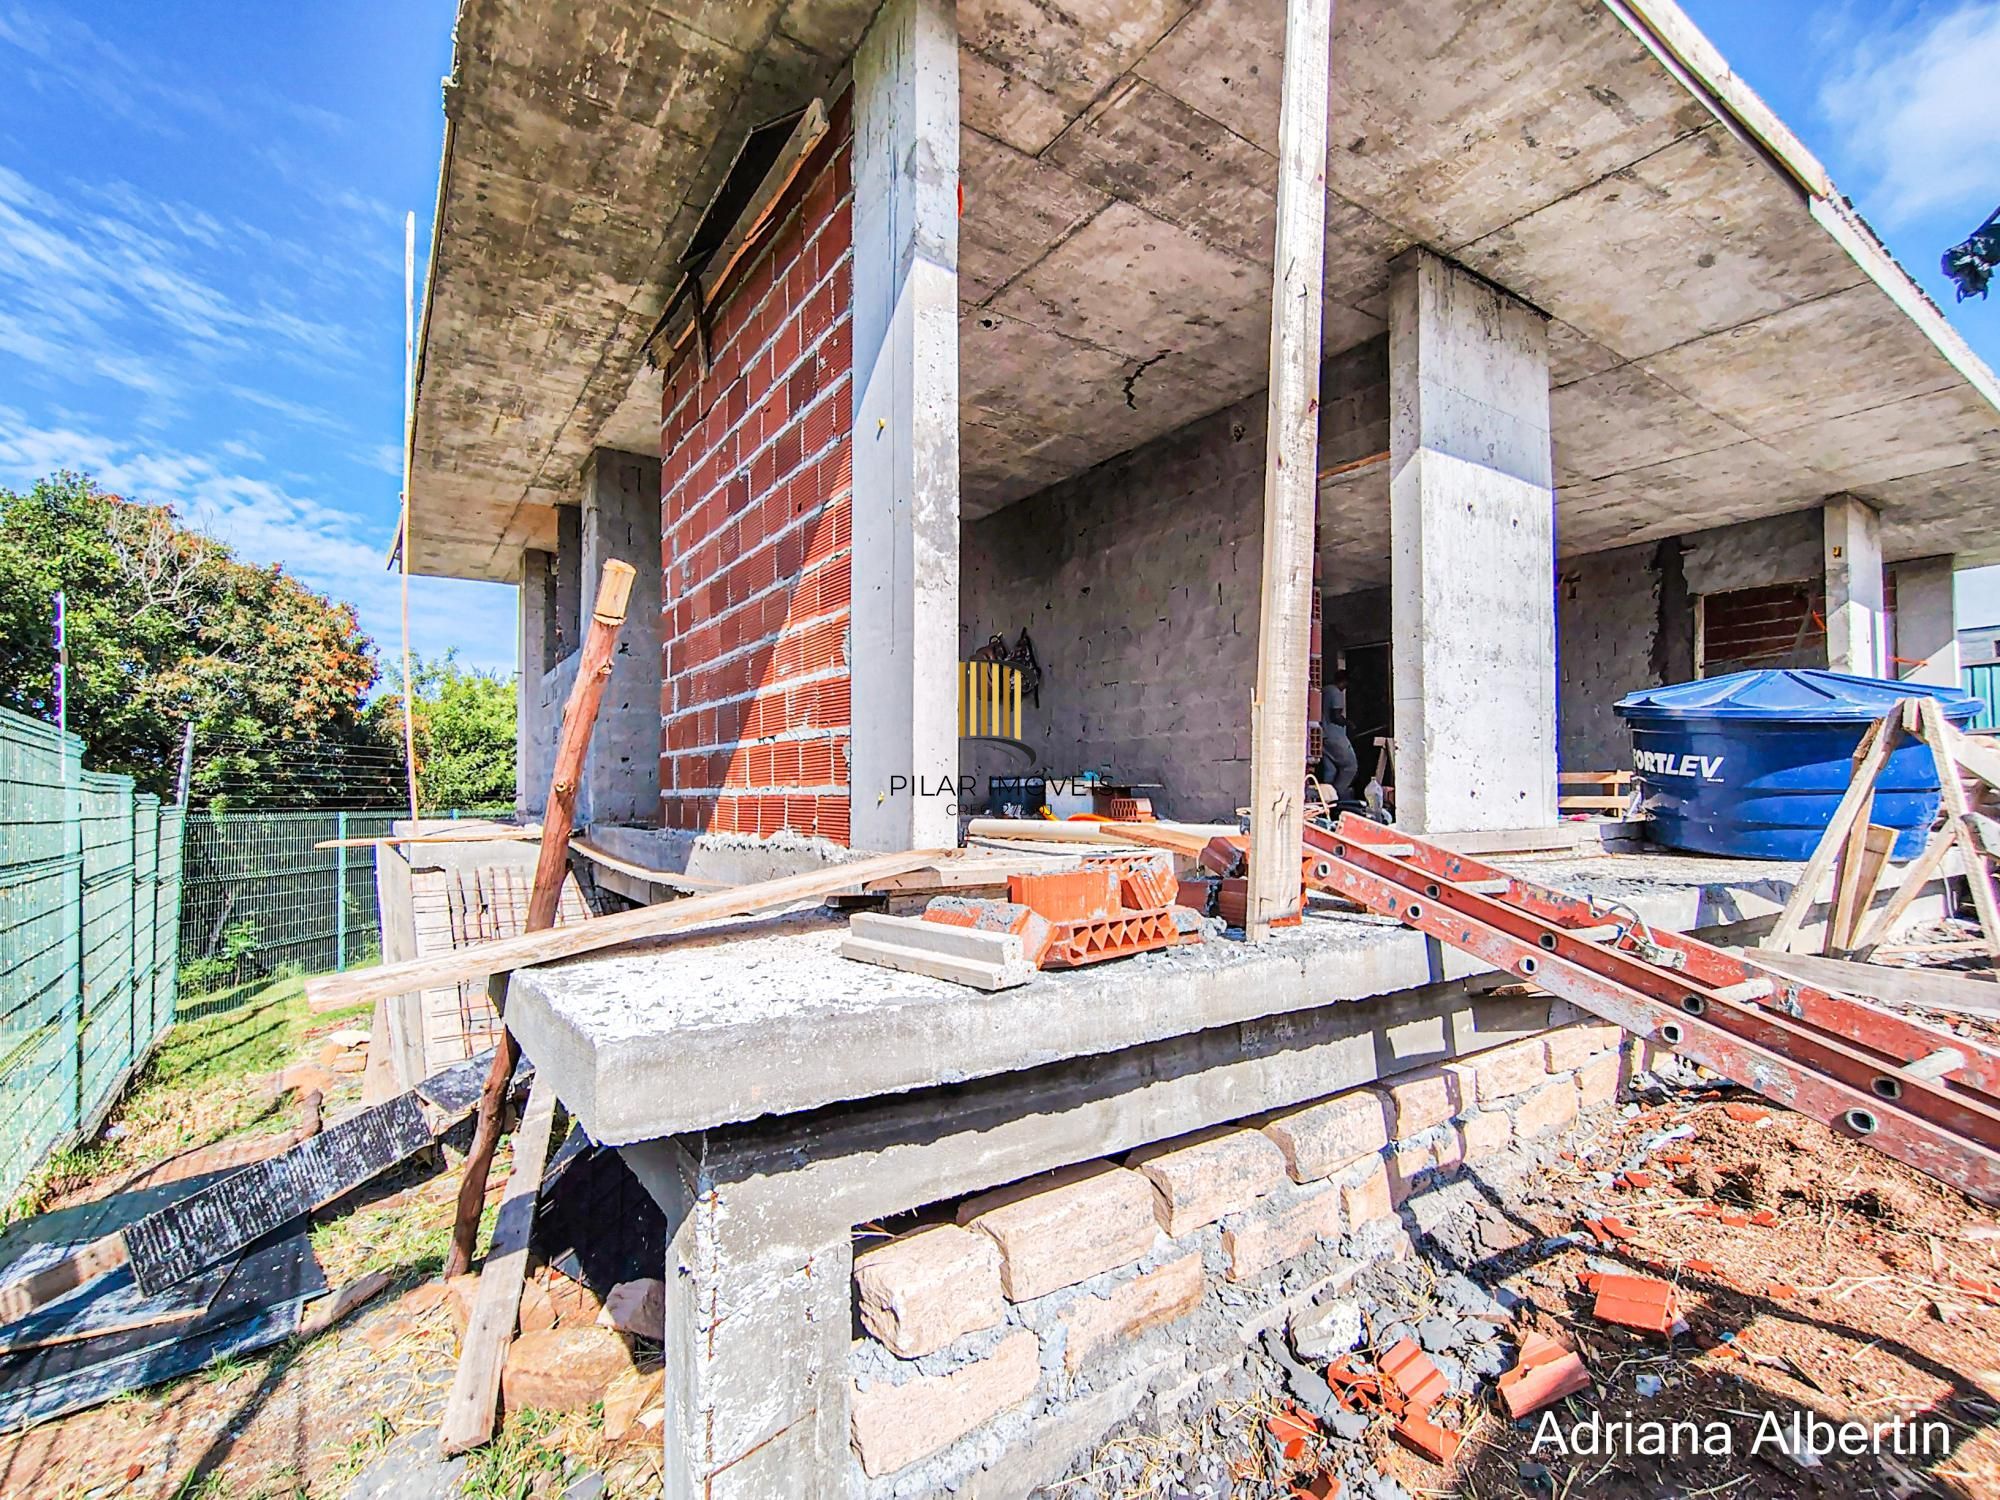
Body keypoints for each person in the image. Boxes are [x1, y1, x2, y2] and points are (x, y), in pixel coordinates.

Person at [1319, 669, 1358, 804]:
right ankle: (1337, 798)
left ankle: (1325, 799)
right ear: (1345, 681)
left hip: (1322, 736)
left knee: (1330, 770)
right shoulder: (1336, 692)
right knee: (1350, 767)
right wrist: (1349, 724)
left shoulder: (1323, 690)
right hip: (1335, 736)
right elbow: (1335, 716)